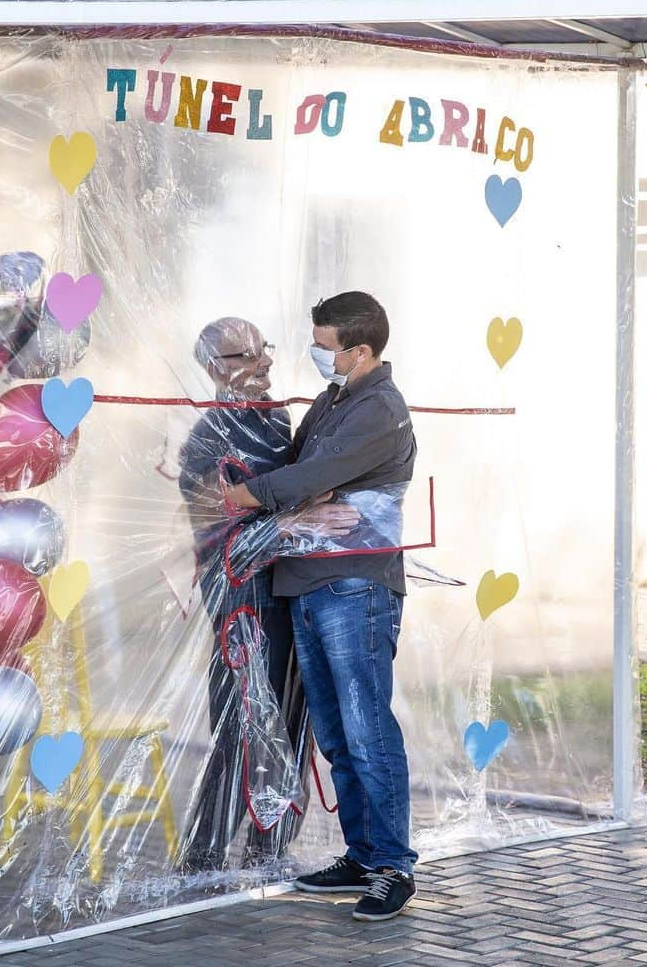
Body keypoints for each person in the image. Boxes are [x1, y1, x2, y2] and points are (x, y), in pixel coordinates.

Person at [222, 291, 418, 921]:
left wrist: (243, 498)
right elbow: (309, 470)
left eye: (324, 344)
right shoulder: (335, 401)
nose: (314, 353)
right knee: (335, 732)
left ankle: (392, 865)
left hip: (355, 586)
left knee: (367, 728)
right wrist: (300, 498)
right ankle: (361, 854)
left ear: (360, 350)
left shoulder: (379, 409)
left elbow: (308, 477)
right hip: (309, 580)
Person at [177, 316, 311, 870]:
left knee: (292, 718)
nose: (265, 362)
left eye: (265, 350)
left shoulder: (277, 422)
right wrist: (282, 512)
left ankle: (268, 849)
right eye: (247, 355)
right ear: (215, 369)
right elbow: (213, 511)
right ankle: (204, 856)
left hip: (287, 593)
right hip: (241, 600)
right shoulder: (207, 437)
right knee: (241, 722)